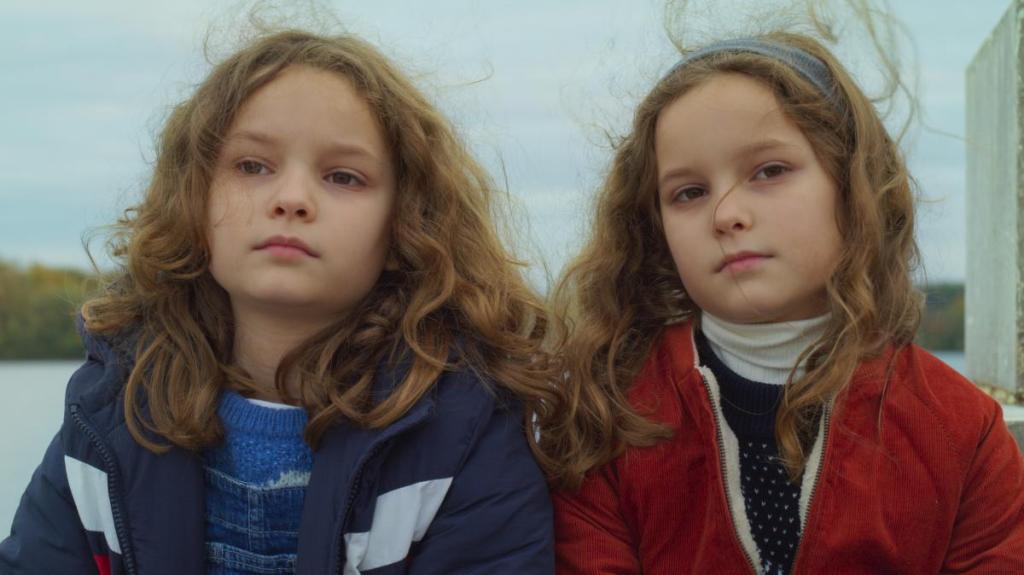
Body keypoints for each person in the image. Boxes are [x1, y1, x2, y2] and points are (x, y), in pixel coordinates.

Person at [0, 29, 557, 575]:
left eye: (343, 176)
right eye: (252, 166)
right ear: (194, 202)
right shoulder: (111, 408)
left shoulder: (463, 430)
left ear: (405, 226)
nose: (291, 199)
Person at [547, 32, 1024, 574]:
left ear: (854, 186)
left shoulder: (961, 429)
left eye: (769, 171)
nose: (726, 214)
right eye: (689, 192)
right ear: (656, 230)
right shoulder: (607, 418)